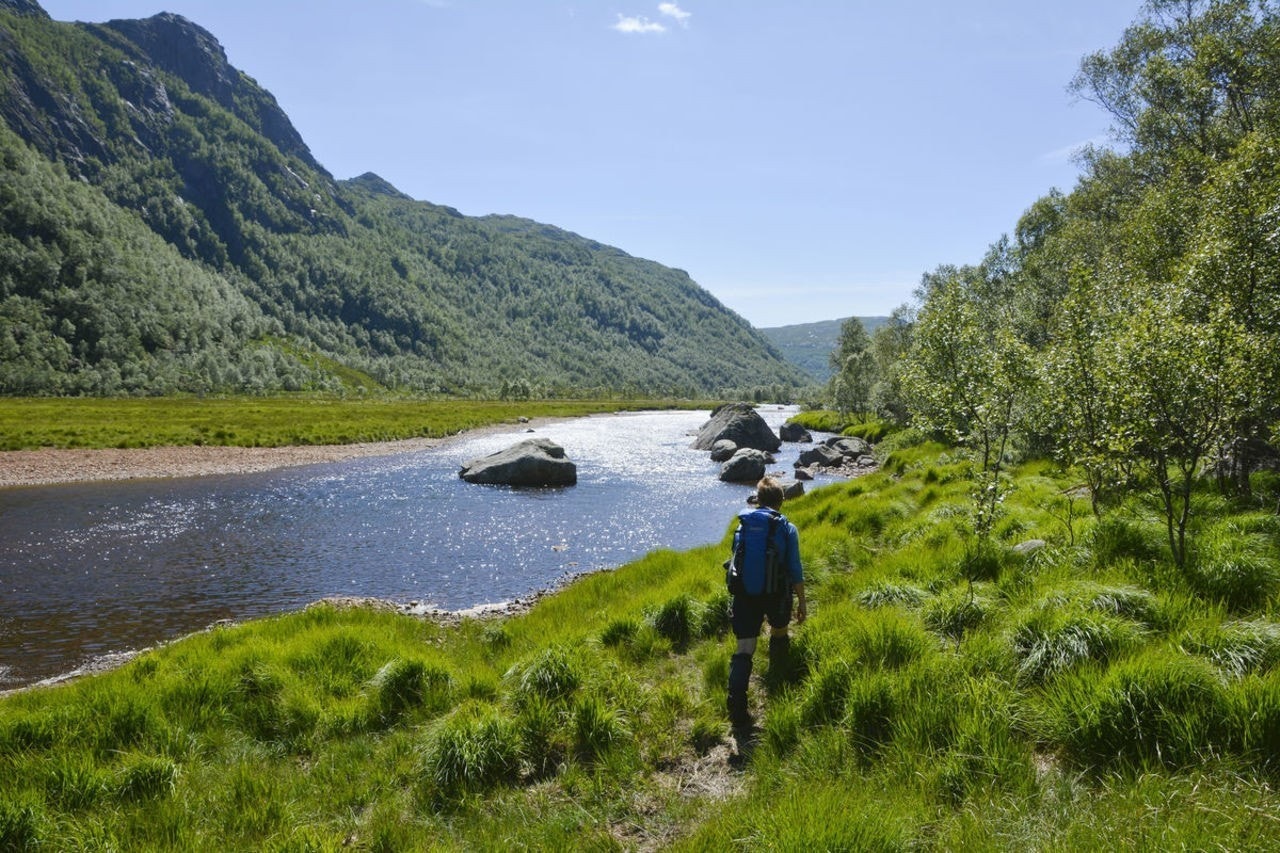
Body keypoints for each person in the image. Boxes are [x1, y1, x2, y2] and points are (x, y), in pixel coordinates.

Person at [726, 476, 806, 729]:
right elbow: (795, 568)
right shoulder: (786, 528)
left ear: (758, 499)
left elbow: (736, 559)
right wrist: (802, 601)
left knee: (744, 649)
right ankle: (777, 685)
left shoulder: (743, 527)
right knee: (779, 632)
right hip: (776, 593)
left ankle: (737, 708)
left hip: (745, 594)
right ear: (781, 501)